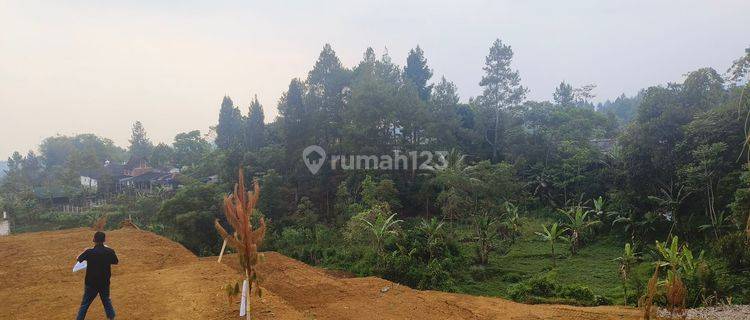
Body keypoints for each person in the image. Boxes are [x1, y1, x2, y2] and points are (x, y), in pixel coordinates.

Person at [75, 231, 119, 320]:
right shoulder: (109, 251)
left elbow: (78, 259)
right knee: (106, 301)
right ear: (104, 240)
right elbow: (115, 261)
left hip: (91, 282)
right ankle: (111, 318)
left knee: (85, 303)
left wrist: (85, 251)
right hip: (104, 282)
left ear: (94, 240)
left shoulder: (89, 252)